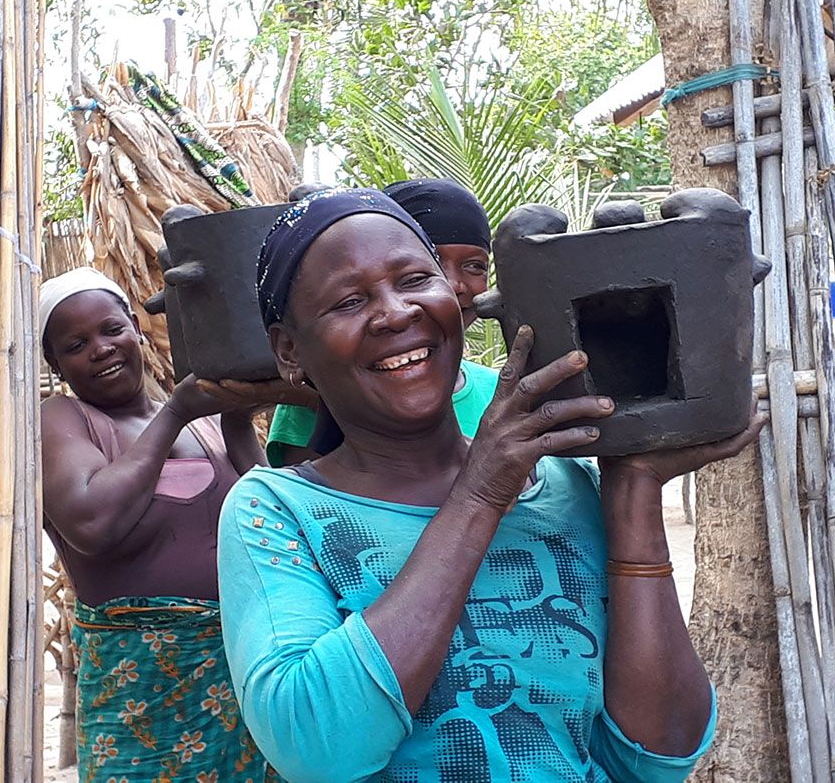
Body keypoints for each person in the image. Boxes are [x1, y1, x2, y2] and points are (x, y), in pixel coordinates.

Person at [217, 189, 763, 782]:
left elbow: (657, 758)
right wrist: (480, 496)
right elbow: (318, 747)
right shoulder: (275, 512)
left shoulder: (568, 487)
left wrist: (631, 488)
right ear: (289, 350)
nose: (397, 312)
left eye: (415, 279)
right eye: (349, 301)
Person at [39, 266, 300, 782]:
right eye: (76, 343)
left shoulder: (202, 423)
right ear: (55, 362)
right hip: (140, 687)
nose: (101, 349)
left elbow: (273, 516)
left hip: (243, 672)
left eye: (112, 330)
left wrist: (236, 422)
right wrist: (176, 411)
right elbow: (92, 523)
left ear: (136, 327)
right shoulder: (63, 420)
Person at [264, 178, 498, 467]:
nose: (454, 284)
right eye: (350, 301)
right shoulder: (279, 496)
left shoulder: (504, 393)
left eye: (416, 279)